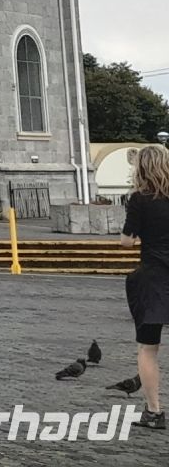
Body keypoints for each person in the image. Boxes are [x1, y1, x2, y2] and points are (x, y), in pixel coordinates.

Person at [121, 142, 169, 430]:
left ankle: (154, 412)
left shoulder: (139, 199)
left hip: (153, 279)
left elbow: (126, 240)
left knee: (148, 348)